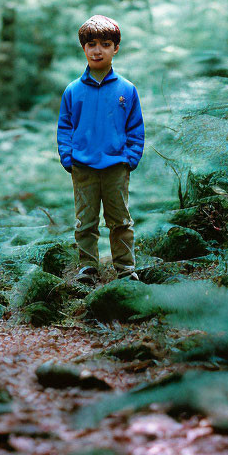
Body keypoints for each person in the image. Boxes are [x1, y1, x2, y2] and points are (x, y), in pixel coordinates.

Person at [57, 15, 145, 284]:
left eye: (105, 44)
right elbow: (64, 126)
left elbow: (136, 128)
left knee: (120, 221)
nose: (98, 50)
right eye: (92, 44)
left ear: (115, 48)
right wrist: (68, 157)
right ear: (83, 48)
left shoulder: (126, 89)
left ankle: (126, 268)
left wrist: (130, 157)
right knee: (85, 221)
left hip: (116, 166)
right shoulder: (73, 90)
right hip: (82, 166)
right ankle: (87, 267)